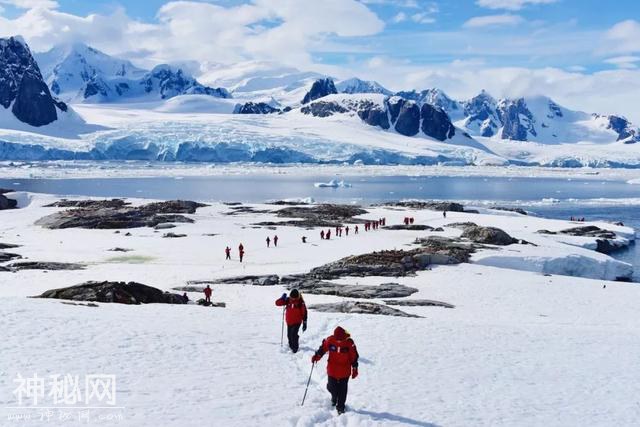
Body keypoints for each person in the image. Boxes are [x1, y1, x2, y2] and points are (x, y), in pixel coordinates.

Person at [311, 326, 359, 415]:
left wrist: (355, 368)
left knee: (342, 390)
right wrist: (316, 356)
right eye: (337, 339)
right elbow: (323, 349)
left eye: (340, 339)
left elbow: (354, 357)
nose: (339, 341)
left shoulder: (349, 343)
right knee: (331, 387)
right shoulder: (330, 340)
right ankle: (334, 397)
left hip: (344, 371)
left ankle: (341, 407)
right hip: (332, 370)